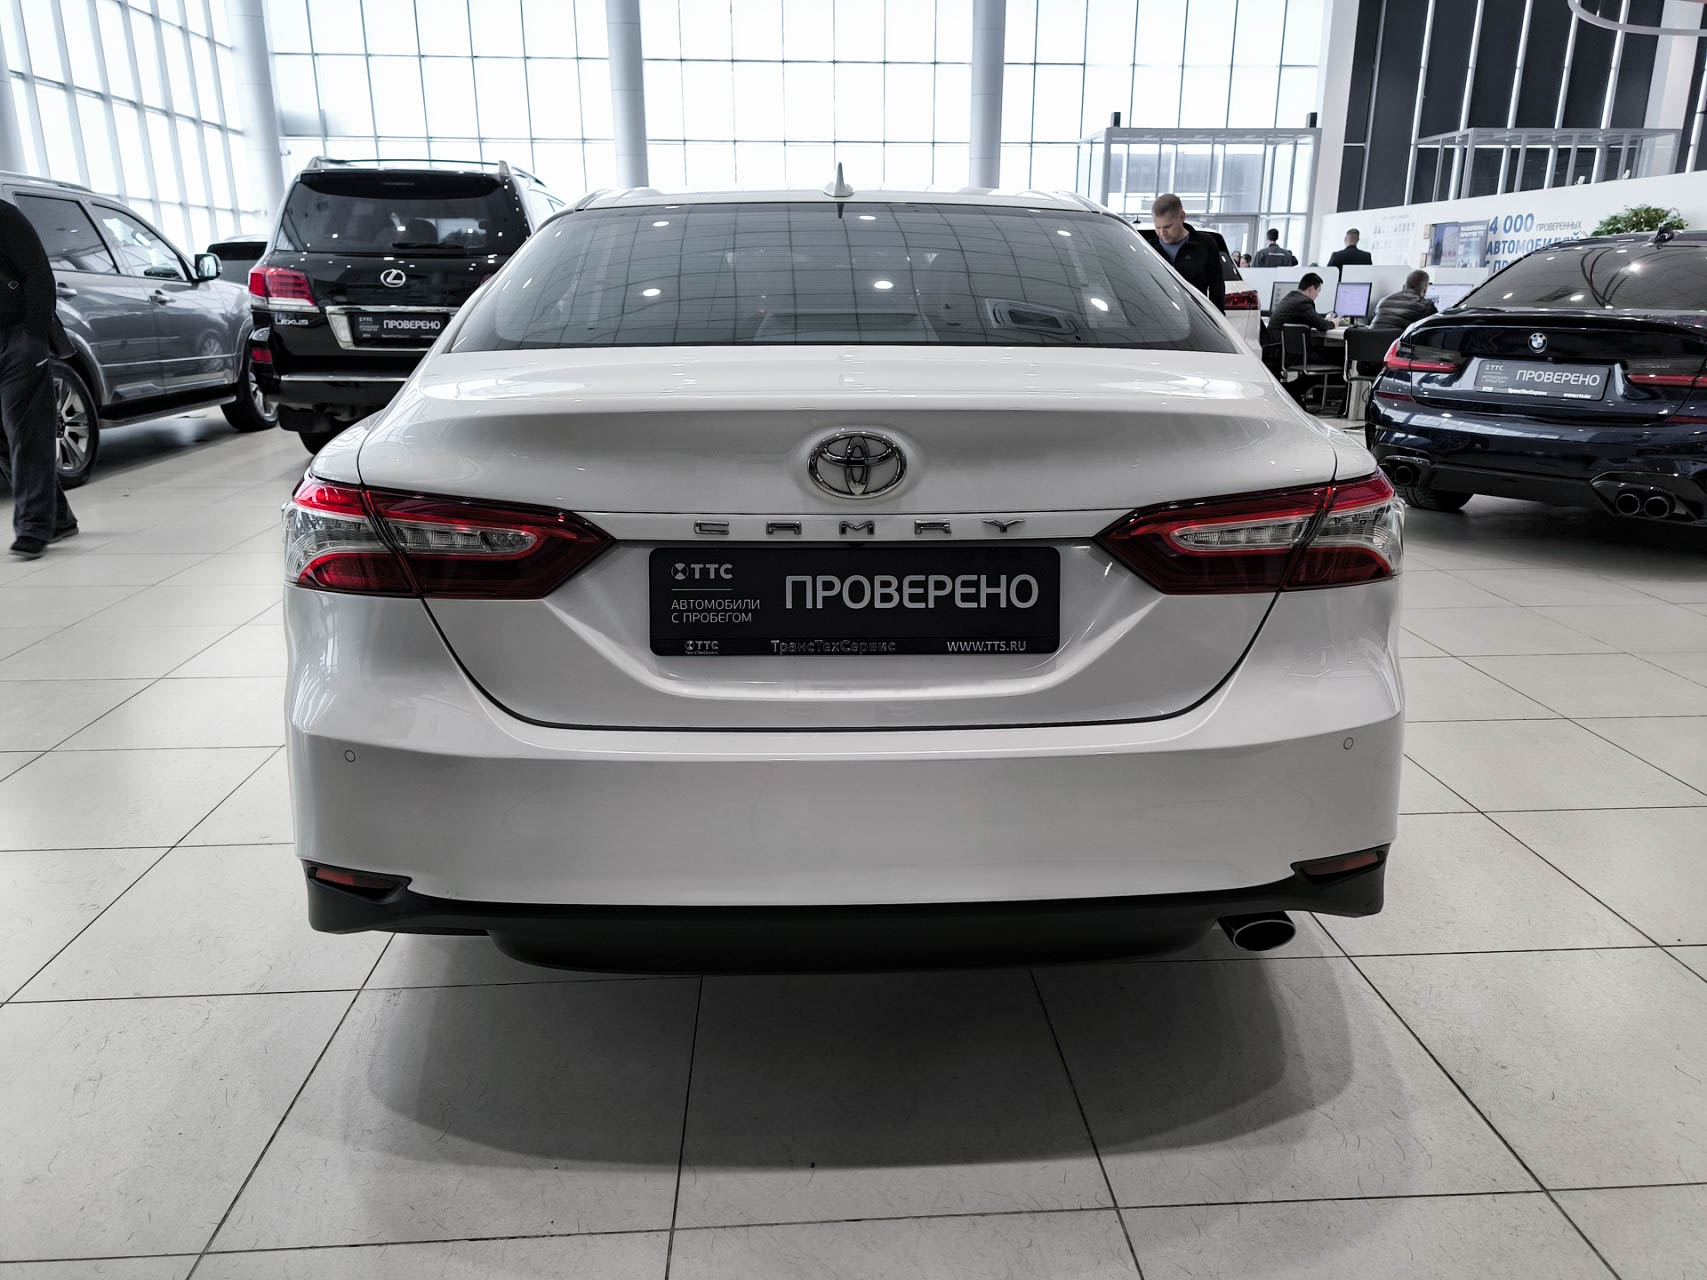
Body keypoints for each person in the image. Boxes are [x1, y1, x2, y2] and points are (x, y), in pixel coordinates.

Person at [0, 198, 76, 560]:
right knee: (4, 439)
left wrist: (32, 335)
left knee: (26, 430)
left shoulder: (3, 215)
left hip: (16, 337)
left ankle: (33, 527)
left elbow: (38, 273)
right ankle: (58, 518)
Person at [1137, 193, 1226, 311]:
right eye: (1157, 227)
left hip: (1196, 317)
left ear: (1182, 217)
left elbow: (1216, 286)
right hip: (1159, 316)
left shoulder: (1205, 244)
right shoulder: (1148, 248)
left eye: (1168, 227)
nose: (1162, 233)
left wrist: (1217, 317)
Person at [1264, 272, 1335, 383]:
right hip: (1289, 354)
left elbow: (1312, 319)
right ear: (1312, 288)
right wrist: (1334, 323)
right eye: (1318, 291)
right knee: (1336, 357)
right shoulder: (1304, 302)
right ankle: (1300, 389)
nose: (1317, 295)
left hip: (1276, 351)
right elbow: (1322, 325)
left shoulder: (1290, 297)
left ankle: (1299, 390)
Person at [1371, 268, 1438, 331]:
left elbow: (1370, 322)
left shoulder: (1383, 300)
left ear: (1404, 286)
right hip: (1396, 339)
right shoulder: (1426, 305)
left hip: (1372, 339)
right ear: (1425, 290)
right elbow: (1438, 325)